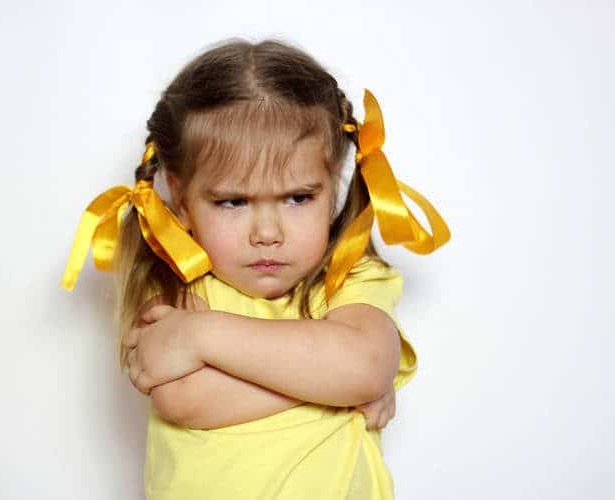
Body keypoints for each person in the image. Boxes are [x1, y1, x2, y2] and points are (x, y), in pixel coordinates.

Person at [60, 38, 450, 500]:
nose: (267, 231)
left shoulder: (348, 276)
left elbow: (364, 365)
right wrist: (338, 387)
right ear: (181, 199)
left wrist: (200, 337)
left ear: (334, 184)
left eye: (298, 197)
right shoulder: (175, 276)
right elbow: (183, 396)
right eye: (233, 202)